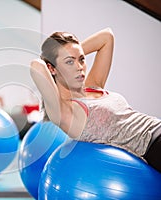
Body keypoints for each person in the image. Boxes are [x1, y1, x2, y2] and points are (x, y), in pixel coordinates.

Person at [30, 28, 161, 172]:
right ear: (52, 68)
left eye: (81, 60)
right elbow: (36, 66)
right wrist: (56, 59)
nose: (79, 67)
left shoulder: (93, 85)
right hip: (153, 146)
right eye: (69, 62)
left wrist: (72, 55)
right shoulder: (64, 112)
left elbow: (106, 37)